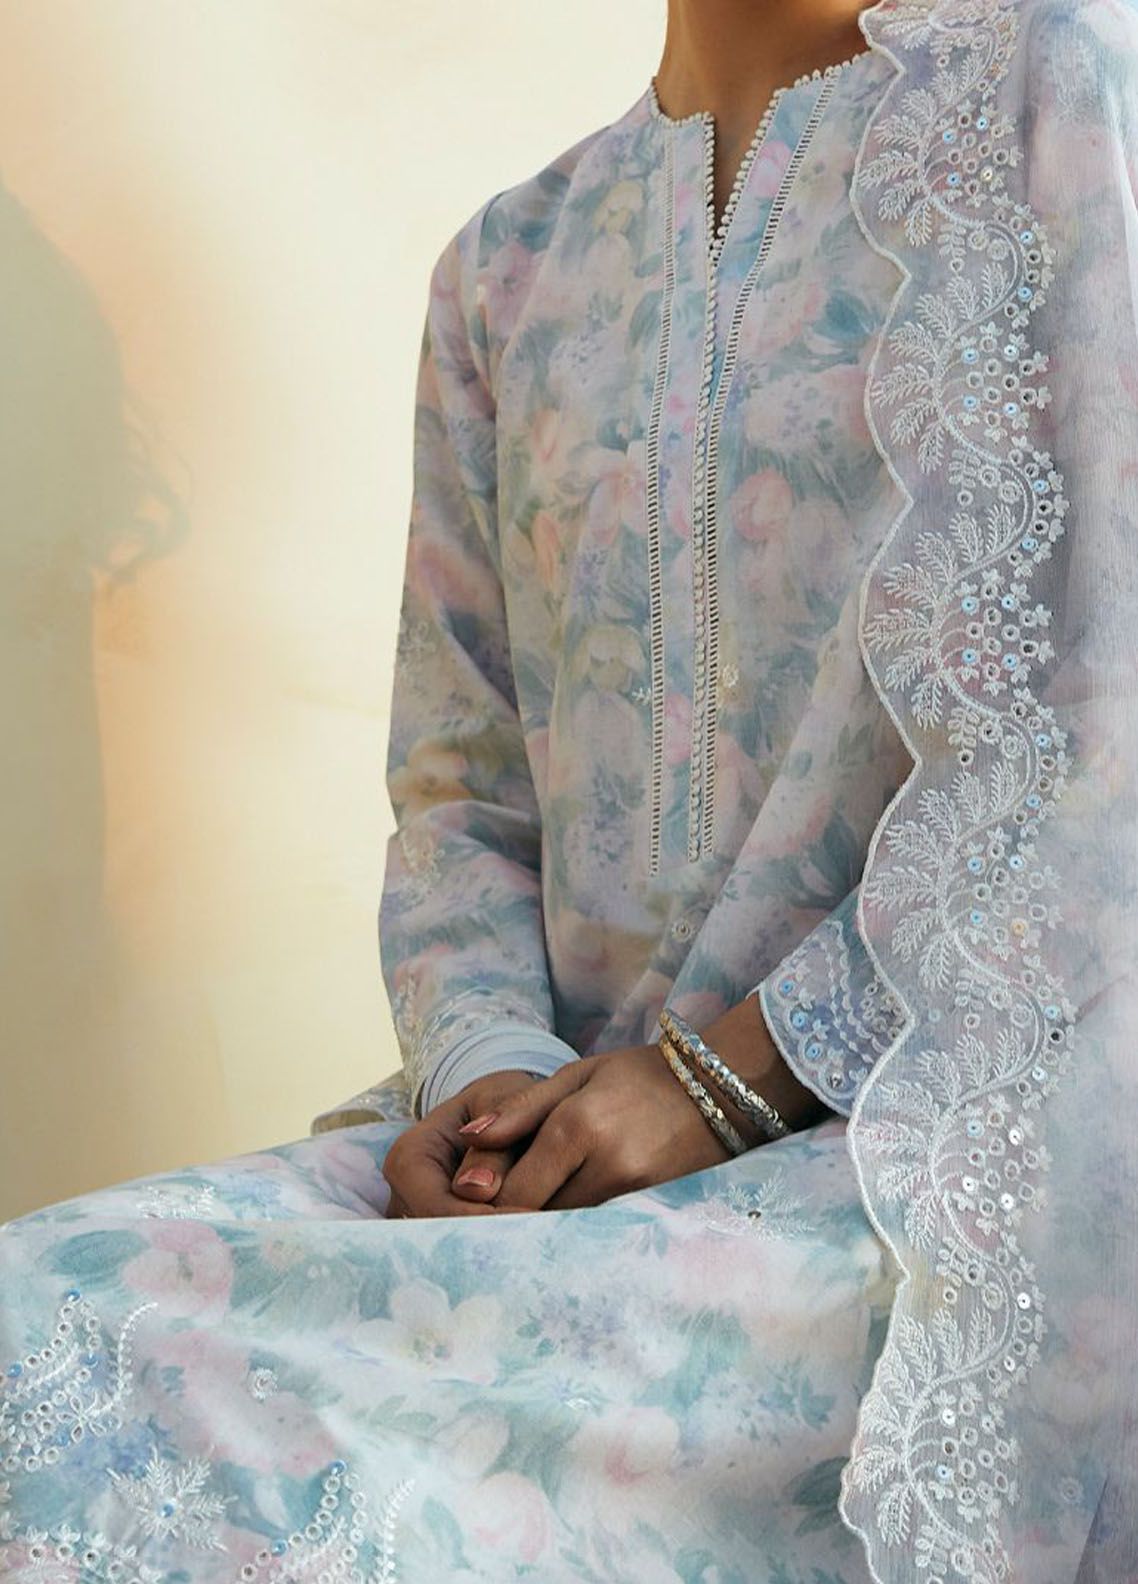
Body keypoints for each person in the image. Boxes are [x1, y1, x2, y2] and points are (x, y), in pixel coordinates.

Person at [2, 0, 1137, 1579]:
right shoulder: (507, 266)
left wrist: (719, 1082)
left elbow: (1096, 748)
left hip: (928, 1166)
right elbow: (459, 782)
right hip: (560, 1152)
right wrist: (486, 1091)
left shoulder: (1053, 95)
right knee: (44, 1321)